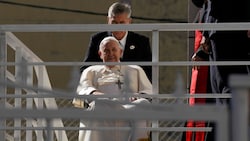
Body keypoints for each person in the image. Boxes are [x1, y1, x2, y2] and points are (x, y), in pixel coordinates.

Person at [74, 36, 153, 141]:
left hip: (128, 108)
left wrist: (138, 96)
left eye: (114, 50)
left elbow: (149, 92)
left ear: (120, 52)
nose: (110, 54)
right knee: (99, 103)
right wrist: (96, 94)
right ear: (100, 54)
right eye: (106, 51)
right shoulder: (90, 71)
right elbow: (81, 94)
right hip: (104, 109)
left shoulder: (135, 69)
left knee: (143, 104)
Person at [80, 2, 152, 81]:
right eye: (114, 22)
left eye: (122, 23)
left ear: (129, 21)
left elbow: (149, 72)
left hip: (133, 89)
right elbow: (85, 69)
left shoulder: (142, 42)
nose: (118, 27)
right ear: (108, 20)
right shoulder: (97, 40)